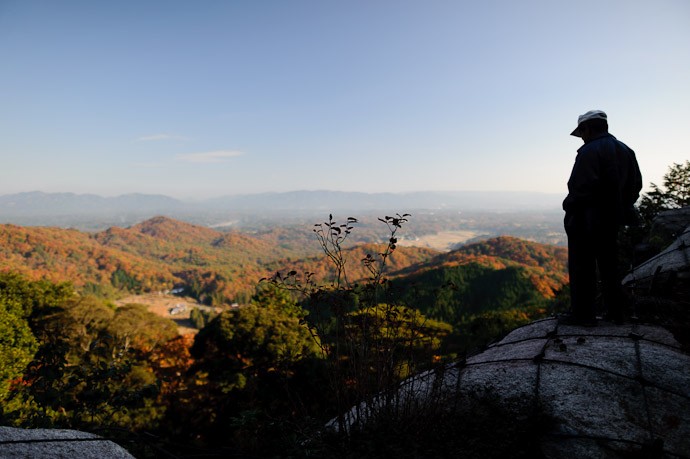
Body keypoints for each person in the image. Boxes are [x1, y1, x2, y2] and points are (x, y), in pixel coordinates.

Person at [562, 110, 642, 325]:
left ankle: (583, 316)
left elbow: (579, 187)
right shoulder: (626, 151)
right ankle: (616, 313)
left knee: (582, 267)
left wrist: (569, 206)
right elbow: (636, 186)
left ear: (587, 128)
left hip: (586, 219)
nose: (583, 137)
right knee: (610, 266)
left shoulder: (589, 151)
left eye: (582, 133)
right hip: (613, 219)